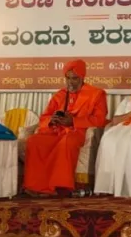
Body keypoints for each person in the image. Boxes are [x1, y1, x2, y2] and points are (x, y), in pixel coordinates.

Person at [23, 60, 108, 195]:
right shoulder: (60, 95)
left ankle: (60, 186)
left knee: (66, 142)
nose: (70, 82)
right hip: (56, 131)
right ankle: (36, 186)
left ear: (82, 77)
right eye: (68, 78)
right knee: (34, 141)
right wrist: (51, 120)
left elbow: (100, 119)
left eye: (74, 78)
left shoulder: (96, 94)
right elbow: (44, 117)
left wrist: (73, 121)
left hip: (77, 132)